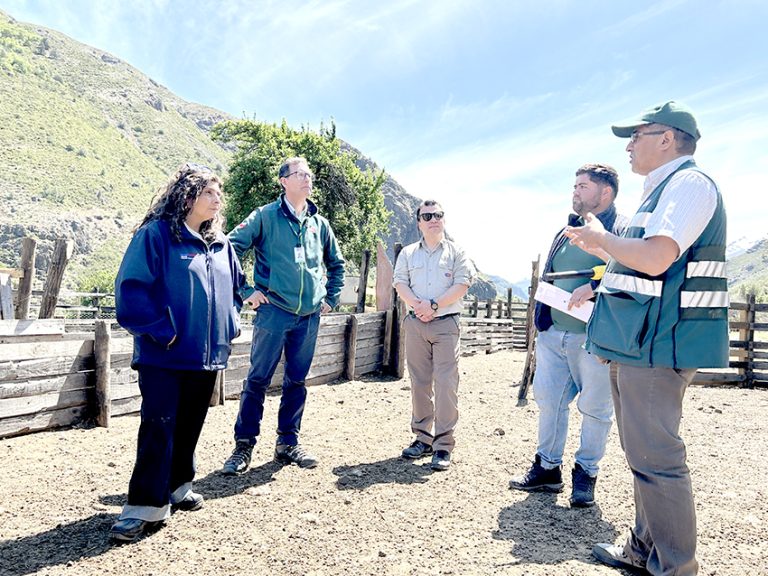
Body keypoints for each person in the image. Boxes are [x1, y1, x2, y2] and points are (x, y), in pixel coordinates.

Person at [564, 101, 728, 575]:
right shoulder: (662, 190)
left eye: (637, 136)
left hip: (658, 344)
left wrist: (601, 240)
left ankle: (675, 568)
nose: (629, 146)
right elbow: (638, 265)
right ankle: (643, 550)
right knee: (643, 456)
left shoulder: (689, 185)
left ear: (667, 139)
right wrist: (603, 254)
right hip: (637, 343)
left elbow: (656, 258)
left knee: (657, 460)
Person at [110, 163, 245, 542]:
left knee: (189, 425)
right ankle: (143, 507)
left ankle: (179, 486)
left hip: (206, 356)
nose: (217, 199)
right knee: (159, 427)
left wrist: (230, 325)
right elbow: (131, 289)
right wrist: (162, 332)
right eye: (208, 192)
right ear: (187, 197)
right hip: (163, 356)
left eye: (219, 193)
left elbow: (237, 289)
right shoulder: (155, 236)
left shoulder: (221, 244)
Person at [509, 164, 626, 507]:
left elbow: (629, 269)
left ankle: (586, 475)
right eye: (575, 185)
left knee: (595, 409)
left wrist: (594, 286)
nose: (575, 191)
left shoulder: (620, 229)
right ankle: (547, 468)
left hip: (594, 339)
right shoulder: (566, 229)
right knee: (549, 401)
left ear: (606, 192)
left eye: (583, 186)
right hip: (554, 333)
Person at [221, 156, 345, 474]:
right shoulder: (265, 216)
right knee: (257, 380)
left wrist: (330, 298)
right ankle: (243, 446)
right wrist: (246, 291)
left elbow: (337, 264)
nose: (307, 178)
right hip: (273, 312)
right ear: (283, 181)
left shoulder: (320, 224)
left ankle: (288, 443)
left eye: (309, 174)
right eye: (299, 174)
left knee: (297, 381)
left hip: (309, 317)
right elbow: (230, 247)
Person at [393, 200, 475, 471]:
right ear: (419, 222)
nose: (433, 219)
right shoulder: (408, 253)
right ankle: (422, 438)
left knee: (446, 383)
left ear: (444, 219)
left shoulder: (457, 252)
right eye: (427, 216)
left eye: (438, 215)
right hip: (416, 323)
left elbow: (462, 283)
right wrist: (419, 306)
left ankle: (443, 445)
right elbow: (399, 282)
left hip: (446, 324)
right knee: (419, 383)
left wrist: (434, 305)